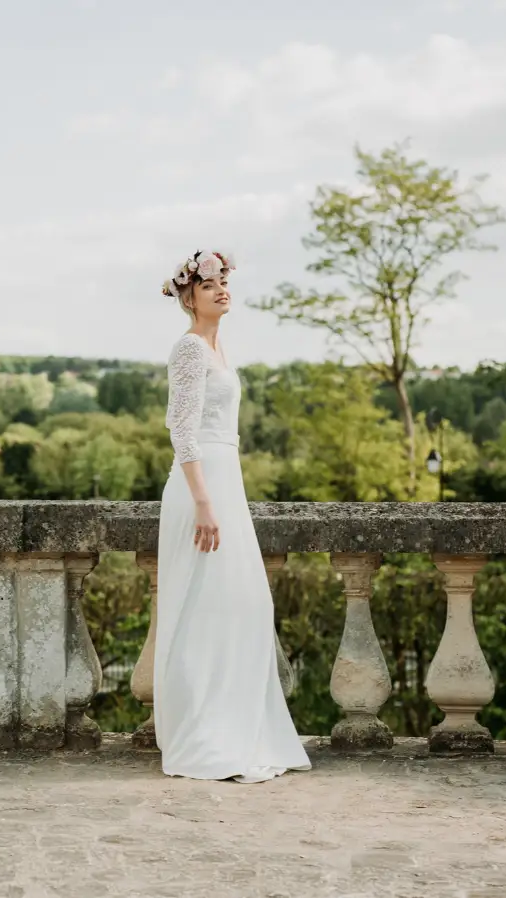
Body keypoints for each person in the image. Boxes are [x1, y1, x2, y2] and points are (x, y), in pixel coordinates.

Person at [154, 250, 311, 783]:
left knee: (243, 606)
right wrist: (203, 502)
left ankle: (235, 726)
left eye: (224, 282)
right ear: (189, 297)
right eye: (210, 284)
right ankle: (203, 732)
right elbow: (181, 430)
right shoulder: (190, 349)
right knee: (204, 608)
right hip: (202, 488)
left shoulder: (219, 348)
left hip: (227, 481)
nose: (222, 290)